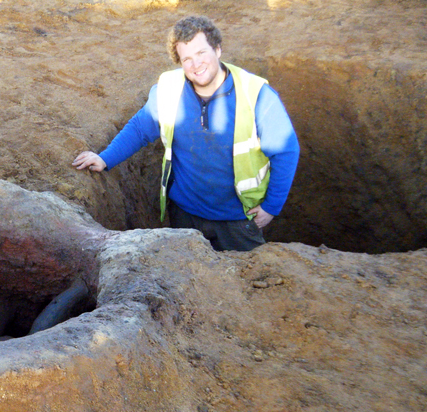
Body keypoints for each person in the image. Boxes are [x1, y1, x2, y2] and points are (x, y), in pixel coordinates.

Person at [73, 15, 300, 252]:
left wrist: (271, 207)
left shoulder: (257, 96)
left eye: (201, 53)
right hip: (184, 216)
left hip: (237, 220)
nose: (196, 65)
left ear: (218, 49)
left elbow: (286, 151)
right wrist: (105, 158)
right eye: (187, 59)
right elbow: (141, 128)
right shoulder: (169, 90)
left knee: (242, 283)